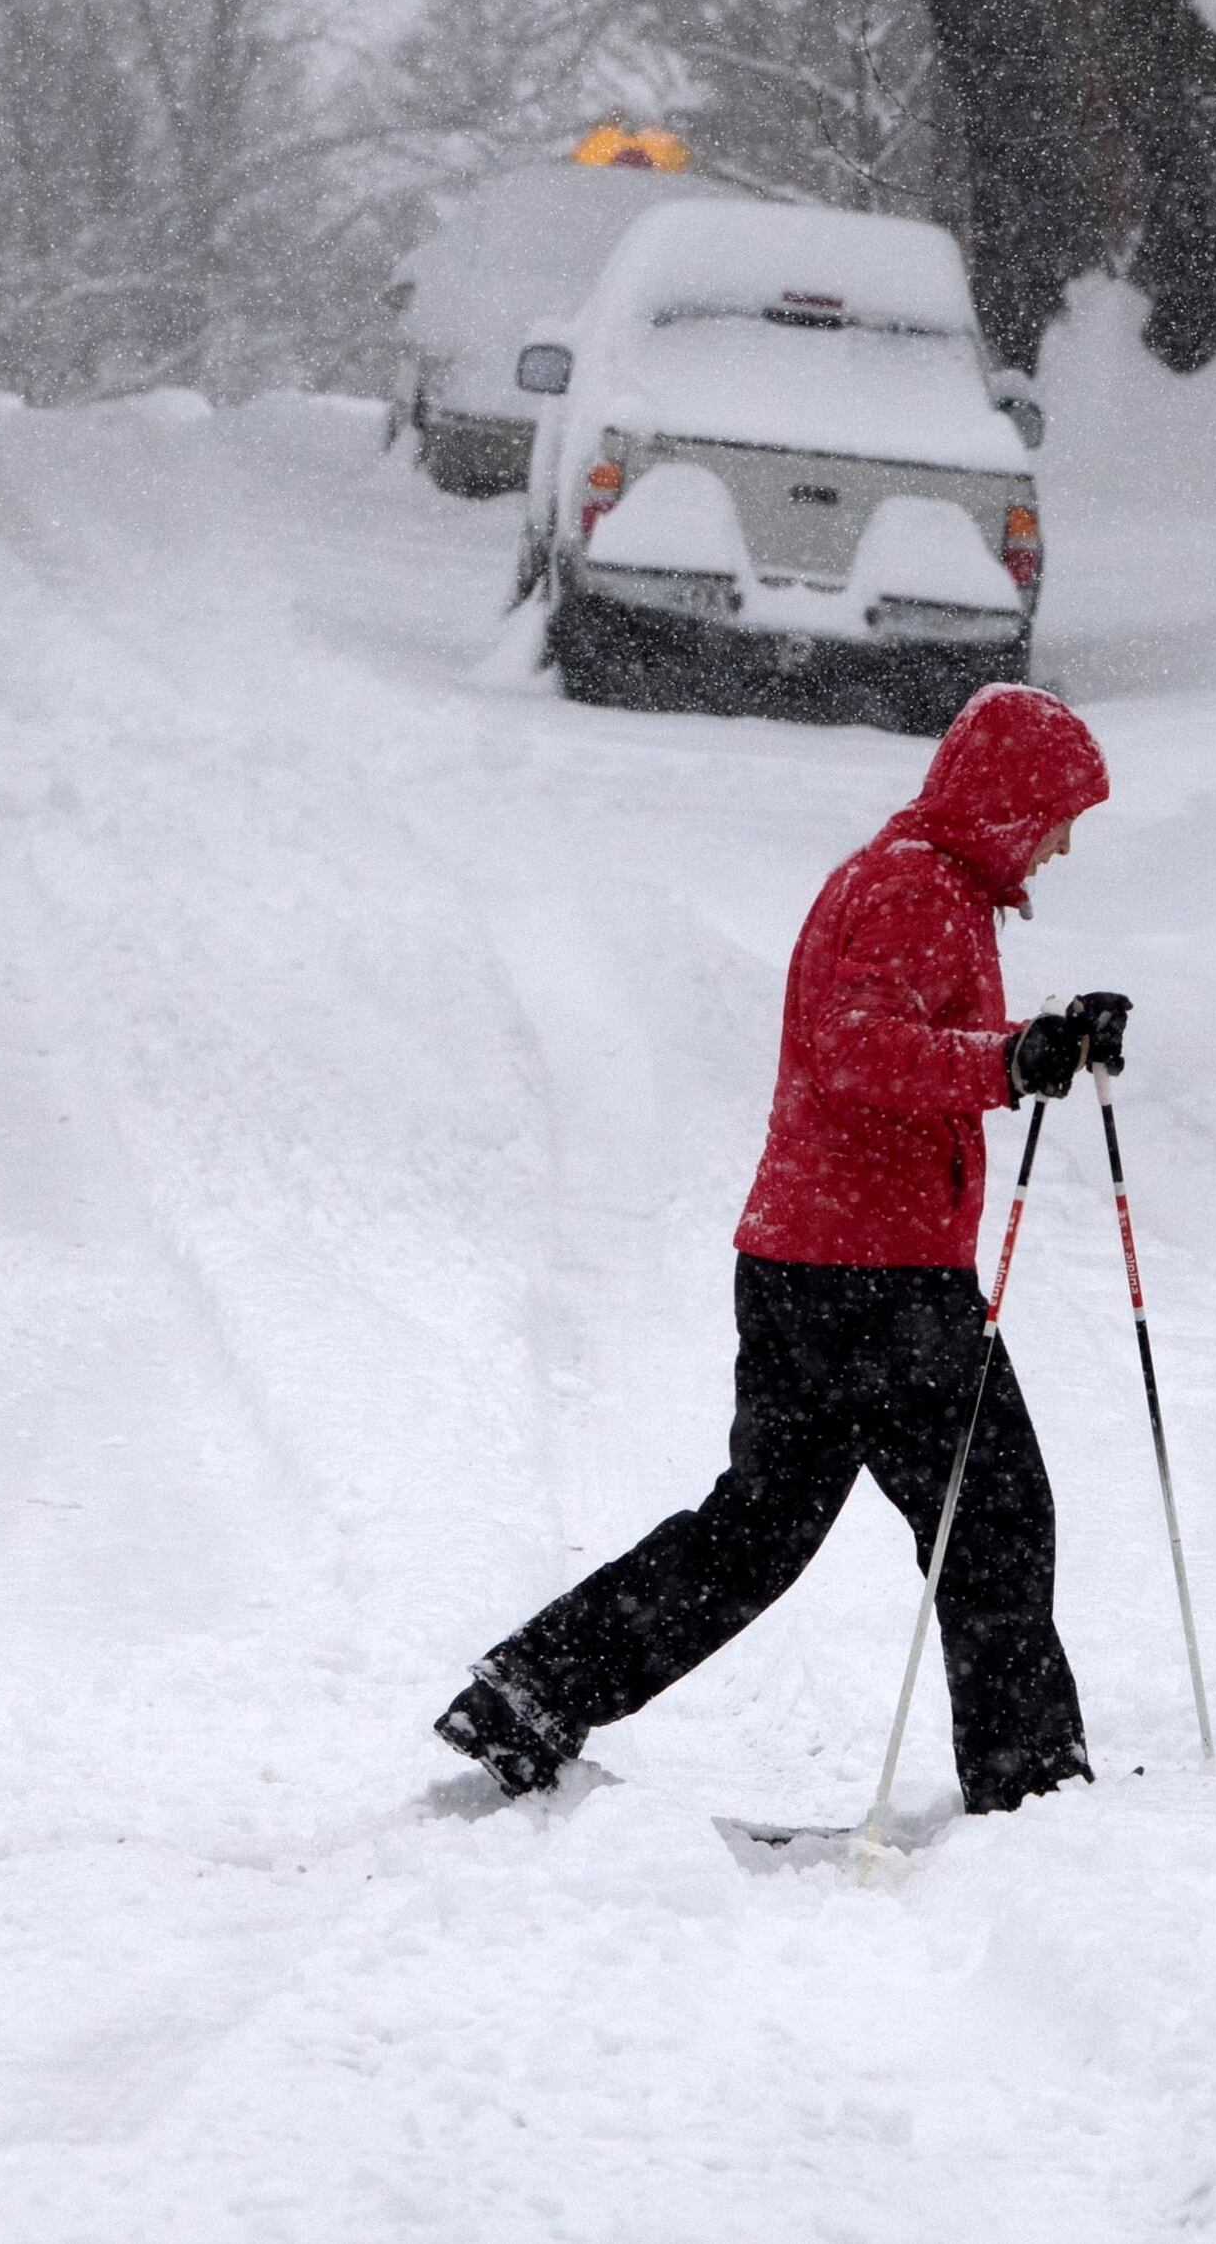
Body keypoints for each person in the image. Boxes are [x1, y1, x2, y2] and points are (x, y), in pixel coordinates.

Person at [437, 681, 1123, 1819]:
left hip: (812, 1261)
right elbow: (855, 1044)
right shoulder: (917, 889)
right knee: (992, 1512)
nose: (1058, 844)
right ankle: (1033, 1788)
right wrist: (1003, 1062)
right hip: (878, 1279)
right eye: (1056, 817)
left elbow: (898, 1028)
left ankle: (532, 1690)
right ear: (1009, 803)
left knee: (758, 1528)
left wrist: (1034, 1039)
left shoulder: (913, 879)